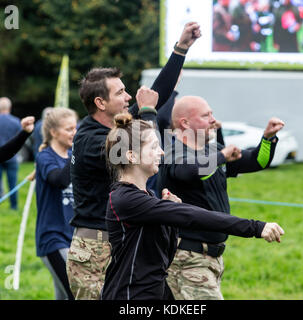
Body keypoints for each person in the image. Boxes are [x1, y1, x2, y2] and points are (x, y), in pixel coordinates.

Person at [66, 22, 202, 300]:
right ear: (101, 103)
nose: (128, 97)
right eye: (120, 93)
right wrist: (150, 111)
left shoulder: (118, 127)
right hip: (96, 249)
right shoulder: (92, 139)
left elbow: (153, 97)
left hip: (122, 242)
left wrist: (181, 48)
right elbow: (145, 145)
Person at [100, 113, 284, 300]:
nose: (161, 152)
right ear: (131, 156)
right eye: (154, 147)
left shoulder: (148, 197)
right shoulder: (125, 199)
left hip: (154, 292)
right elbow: (191, 215)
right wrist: (255, 227)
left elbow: (162, 256)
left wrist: (169, 215)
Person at [157, 95, 285, 300]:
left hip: (210, 258)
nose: (213, 120)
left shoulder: (213, 151)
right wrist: (222, 157)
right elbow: (189, 172)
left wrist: (268, 139)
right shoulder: (173, 151)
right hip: (188, 258)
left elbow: (256, 162)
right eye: (206, 115)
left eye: (212, 114)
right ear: (185, 123)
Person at [35, 107, 78, 300]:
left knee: (63, 295)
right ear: (53, 132)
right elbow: (58, 180)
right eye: (69, 129)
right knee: (76, 293)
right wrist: (78, 153)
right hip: (53, 238)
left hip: (74, 237)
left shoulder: (71, 156)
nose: (74, 133)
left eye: (75, 128)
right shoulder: (45, 157)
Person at [0, 97, 23, 210]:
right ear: (9, 107)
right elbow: (20, 139)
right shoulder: (16, 121)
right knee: (13, 183)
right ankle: (14, 206)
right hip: (12, 157)